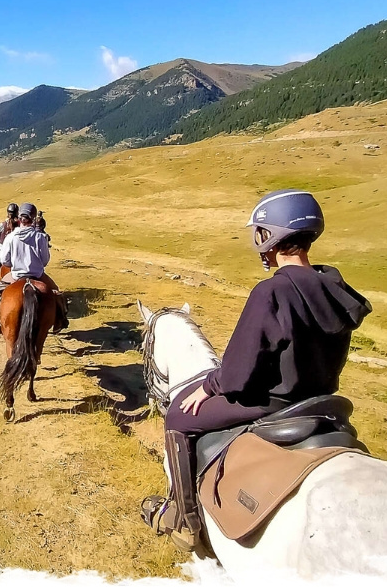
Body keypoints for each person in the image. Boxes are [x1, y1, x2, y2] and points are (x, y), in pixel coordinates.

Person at [140, 189, 371, 551]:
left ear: (269, 236)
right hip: (320, 400)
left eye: (260, 231)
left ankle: (184, 520)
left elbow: (236, 373)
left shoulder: (272, 292)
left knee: (177, 419)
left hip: (273, 402)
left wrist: (209, 387)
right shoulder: (333, 286)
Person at [0, 203, 68, 330]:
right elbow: (45, 261)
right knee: (57, 294)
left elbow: (5, 261)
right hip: (38, 275)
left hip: (16, 275)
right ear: (33, 218)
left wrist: (14, 263)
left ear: (19, 219)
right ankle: (59, 322)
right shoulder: (41, 237)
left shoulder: (11, 237)